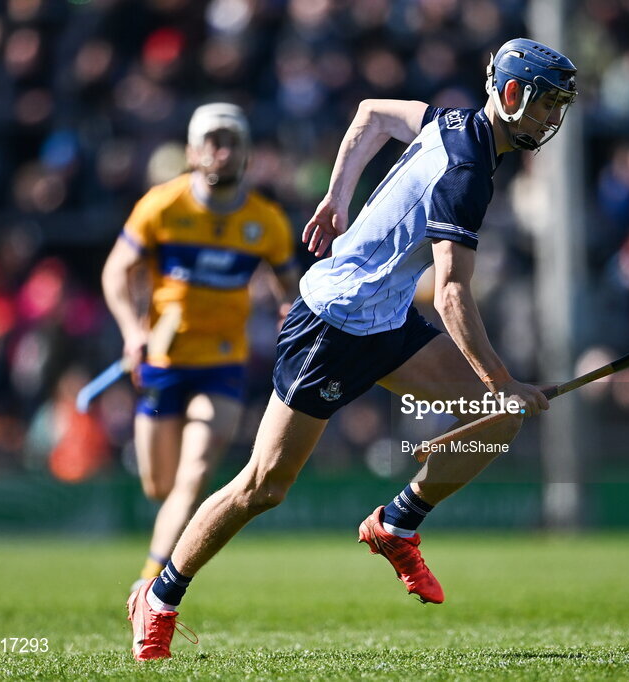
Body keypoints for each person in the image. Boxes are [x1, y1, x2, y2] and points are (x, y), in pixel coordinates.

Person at [127, 39, 577, 660]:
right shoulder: (468, 172)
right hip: (332, 324)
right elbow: (450, 295)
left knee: (500, 419)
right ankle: (158, 597)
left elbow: (370, 114)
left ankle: (399, 522)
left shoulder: (452, 122)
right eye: (546, 103)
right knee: (263, 485)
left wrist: (339, 194)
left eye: (559, 106)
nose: (553, 119)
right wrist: (501, 377)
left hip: (385, 320)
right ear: (509, 95)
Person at [102, 103, 298, 598]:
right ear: (192, 151)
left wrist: (291, 309)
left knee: (192, 478)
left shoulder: (265, 222)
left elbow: (290, 289)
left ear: (247, 154)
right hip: (164, 363)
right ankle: (164, 542)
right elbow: (114, 272)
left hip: (222, 365)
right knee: (159, 485)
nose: (222, 150)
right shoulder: (161, 207)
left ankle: (150, 586)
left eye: (231, 141)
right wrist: (131, 329)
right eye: (212, 140)